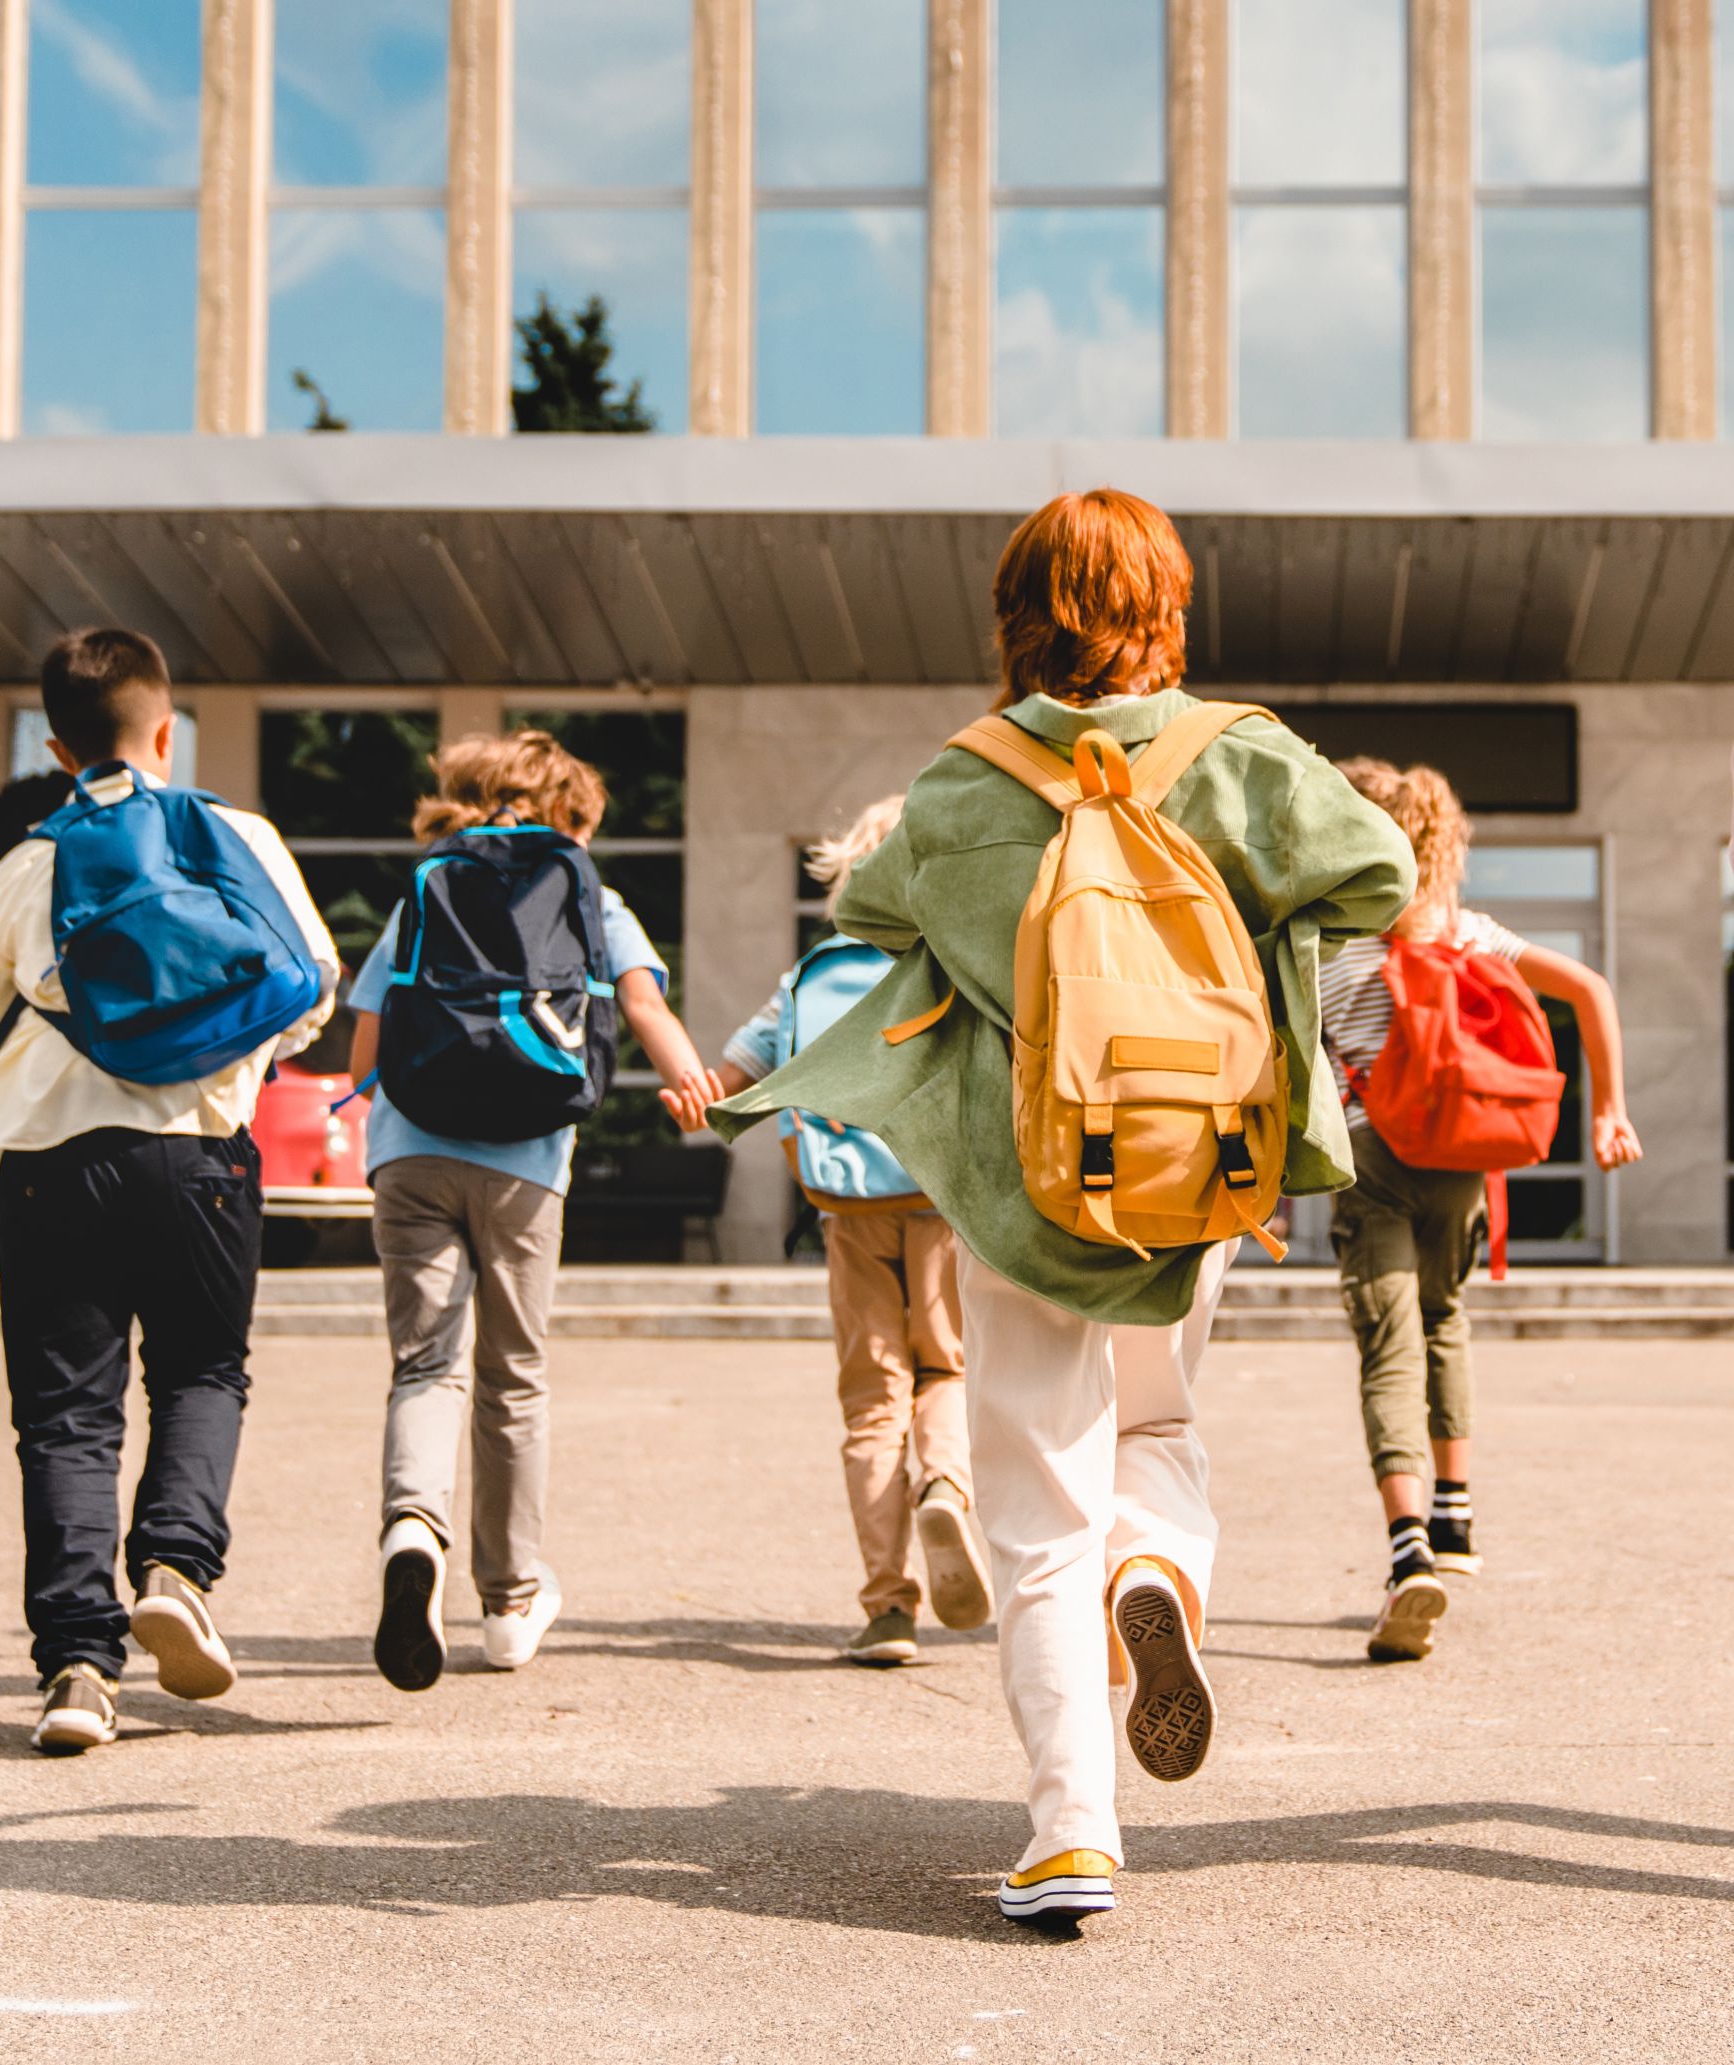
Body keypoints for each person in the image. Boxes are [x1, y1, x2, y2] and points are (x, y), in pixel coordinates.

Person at [707, 490, 1416, 1927]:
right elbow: (1380, 875)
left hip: (1026, 1183)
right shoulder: (1243, 754)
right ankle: (1152, 1565)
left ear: (1015, 616)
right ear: (1168, 606)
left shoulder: (961, 784)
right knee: (1158, 1422)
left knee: (1036, 1502)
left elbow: (866, 920)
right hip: (1197, 1168)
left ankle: (1072, 1828)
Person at [0, 628, 340, 1755]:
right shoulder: (237, 837)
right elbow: (312, 986)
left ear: (57, 748)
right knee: (202, 1371)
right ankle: (174, 1569)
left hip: (52, 1160)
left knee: (66, 1415)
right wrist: (216, 1048)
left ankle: (76, 1670)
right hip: (202, 1154)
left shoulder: (31, 863)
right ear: (168, 732)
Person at [345, 730, 720, 1691]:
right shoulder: (592, 894)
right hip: (525, 1162)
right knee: (512, 1378)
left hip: (411, 1152)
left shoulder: (427, 884)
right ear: (568, 816)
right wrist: (692, 1086)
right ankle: (509, 1604)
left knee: (425, 1366)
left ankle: (411, 1531)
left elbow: (366, 1052)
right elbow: (644, 1007)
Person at [1321, 758, 1641, 1663]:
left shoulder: (1328, 942)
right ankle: (1455, 1517)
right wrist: (1610, 1111)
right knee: (1444, 1317)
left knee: (1389, 1345)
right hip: (1461, 1159)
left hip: (1373, 1156)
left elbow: (1284, 1061)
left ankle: (1408, 1550)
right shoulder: (1465, 930)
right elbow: (1592, 990)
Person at [670, 798, 992, 1668]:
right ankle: (946, 1483)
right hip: (942, 1197)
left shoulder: (811, 974)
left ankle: (888, 1606)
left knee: (873, 1399)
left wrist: (694, 1096)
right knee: (947, 1368)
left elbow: (733, 1078)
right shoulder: (954, 961)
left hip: (847, 1206)